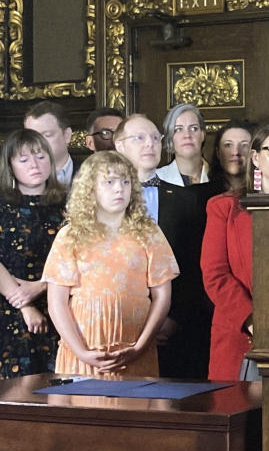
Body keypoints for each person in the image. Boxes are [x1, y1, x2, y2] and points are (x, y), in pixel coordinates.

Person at [42, 151, 179, 377]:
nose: (119, 189)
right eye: (109, 182)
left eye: (126, 181)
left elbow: (162, 296)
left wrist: (139, 347)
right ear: (90, 189)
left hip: (135, 349)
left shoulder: (149, 233)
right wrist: (82, 352)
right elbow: (56, 302)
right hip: (82, 349)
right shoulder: (70, 235)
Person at [203, 121, 269, 381]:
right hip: (241, 336)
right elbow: (215, 275)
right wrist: (253, 321)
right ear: (256, 158)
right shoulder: (223, 207)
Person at [114, 115, 211, 379]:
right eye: (140, 138)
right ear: (119, 145)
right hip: (115, 327)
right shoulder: (101, 202)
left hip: (173, 330)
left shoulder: (186, 201)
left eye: (156, 138)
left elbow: (195, 268)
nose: (150, 144)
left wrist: (171, 320)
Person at [0, 130, 66, 378]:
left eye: (40, 156)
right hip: (10, 306)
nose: (35, 165)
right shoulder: (3, 205)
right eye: (24, 159)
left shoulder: (69, 204)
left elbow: (81, 258)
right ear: (10, 166)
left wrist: (41, 286)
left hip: (58, 301)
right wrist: (24, 303)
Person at [24, 101, 78, 186]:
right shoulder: (17, 179)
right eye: (32, 137)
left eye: (47, 135)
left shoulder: (93, 174)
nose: (38, 143)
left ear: (67, 136)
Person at [157, 103, 209, 185]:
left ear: (203, 134)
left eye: (193, 128)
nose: (187, 135)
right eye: (178, 129)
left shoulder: (221, 177)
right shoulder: (157, 179)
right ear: (170, 137)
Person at [208, 120, 256, 193]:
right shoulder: (202, 195)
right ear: (218, 153)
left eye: (244, 145)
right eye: (228, 145)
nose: (235, 152)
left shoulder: (263, 192)